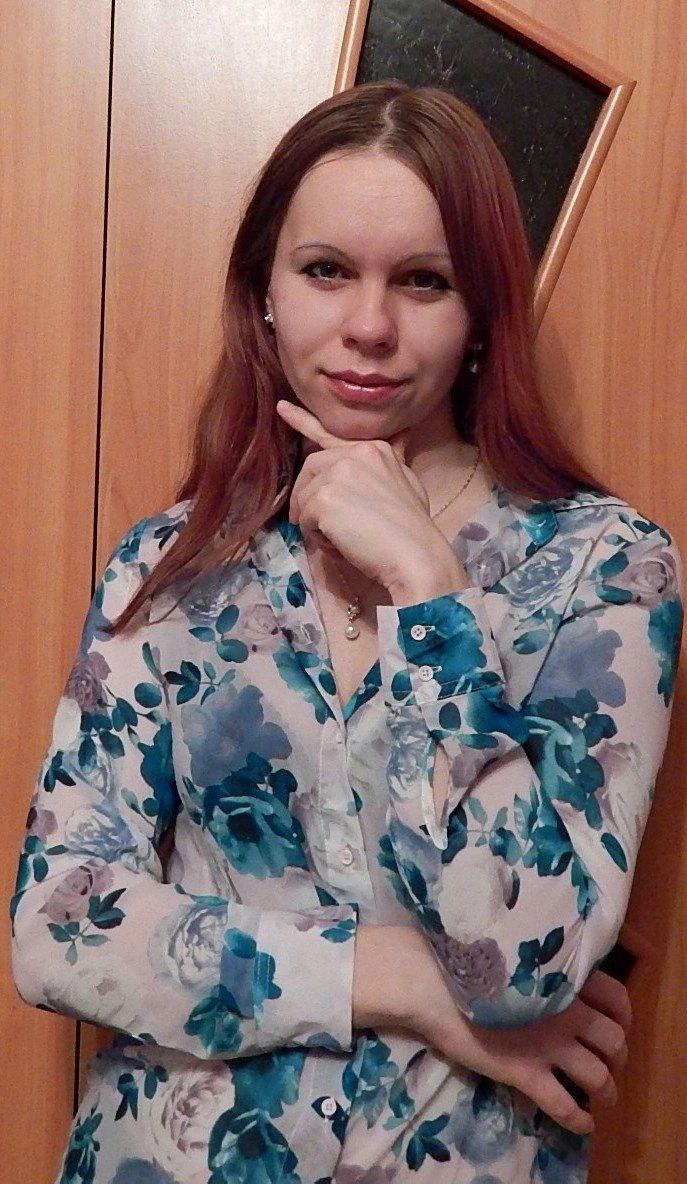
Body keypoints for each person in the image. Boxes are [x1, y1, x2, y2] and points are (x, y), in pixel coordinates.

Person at [10, 80, 682, 1184]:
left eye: (424, 280)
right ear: (265, 293)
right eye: (326, 270)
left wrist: (428, 590)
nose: (369, 325)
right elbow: (60, 924)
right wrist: (400, 980)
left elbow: (528, 961)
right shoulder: (171, 565)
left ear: (481, 312)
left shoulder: (602, 569)